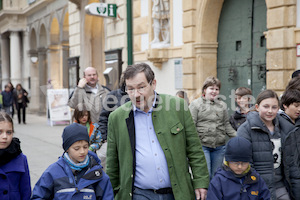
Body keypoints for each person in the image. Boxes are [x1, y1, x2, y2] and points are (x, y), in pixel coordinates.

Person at [106, 63, 209, 200]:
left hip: (177, 193)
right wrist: (111, 194)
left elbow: (194, 149)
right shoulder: (117, 118)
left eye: (141, 87)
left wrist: (201, 182)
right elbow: (112, 163)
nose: (136, 94)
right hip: (139, 194)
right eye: (130, 89)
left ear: (153, 84)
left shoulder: (177, 107)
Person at [237, 89, 299, 199]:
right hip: (257, 186)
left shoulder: (287, 130)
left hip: (280, 186)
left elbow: (292, 165)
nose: (270, 111)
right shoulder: (245, 130)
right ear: (257, 107)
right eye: (266, 106)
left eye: (274, 107)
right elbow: (244, 164)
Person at [31, 123, 114, 200]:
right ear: (67, 149)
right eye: (76, 148)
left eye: (85, 147)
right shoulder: (52, 172)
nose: (82, 151)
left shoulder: (97, 174)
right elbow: (38, 196)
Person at [189, 76, 236, 179]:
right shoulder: (195, 105)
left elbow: (226, 125)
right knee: (205, 175)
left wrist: (238, 136)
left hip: (219, 147)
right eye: (211, 88)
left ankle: (214, 195)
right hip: (202, 146)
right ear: (205, 89)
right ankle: (204, 195)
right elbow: (191, 126)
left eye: (217, 89)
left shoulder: (222, 105)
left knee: (217, 176)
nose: (214, 91)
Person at [97, 73, 130, 171]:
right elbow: (104, 117)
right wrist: (105, 137)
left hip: (132, 139)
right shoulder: (113, 95)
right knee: (103, 160)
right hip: (114, 138)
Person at [0, 111, 31, 199]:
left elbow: (26, 191)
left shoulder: (21, 158)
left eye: (9, 132)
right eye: (0, 132)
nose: (5, 136)